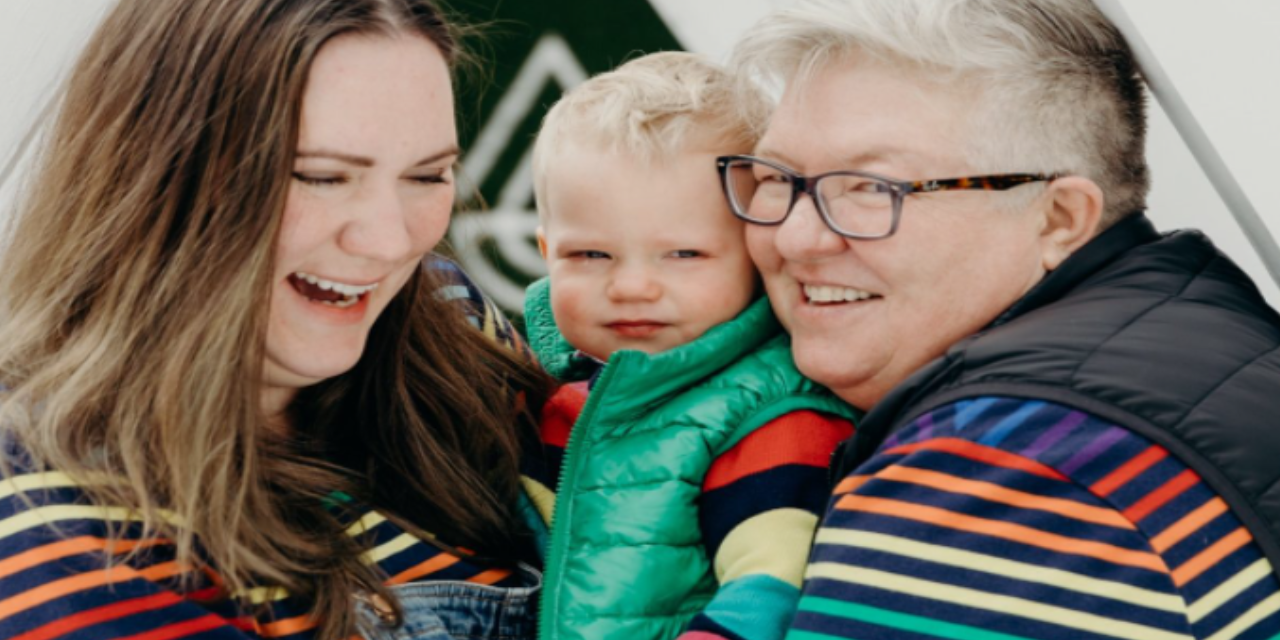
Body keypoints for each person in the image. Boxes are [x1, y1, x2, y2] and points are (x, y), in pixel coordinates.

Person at [719, 0, 1280, 638]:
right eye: (777, 178)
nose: (794, 238)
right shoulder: (1182, 354)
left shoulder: (995, 469)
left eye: (872, 187)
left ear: (1058, 218)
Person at [0, 1, 555, 639]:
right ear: (156, 177)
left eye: (428, 175)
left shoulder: (449, 315)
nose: (389, 241)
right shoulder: (64, 529)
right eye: (322, 177)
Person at [521, 52, 859, 640]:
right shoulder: (545, 398)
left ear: (756, 251)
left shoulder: (774, 422)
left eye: (683, 254)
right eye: (590, 254)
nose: (632, 287)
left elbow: (773, 594)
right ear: (548, 254)